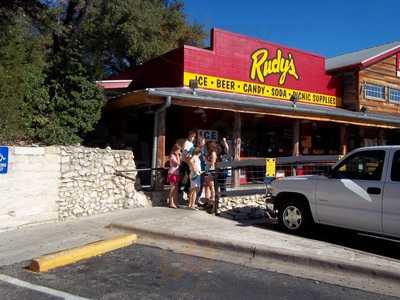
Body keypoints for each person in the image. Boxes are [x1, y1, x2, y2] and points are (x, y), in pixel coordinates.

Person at [179, 130, 197, 196]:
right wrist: (189, 162)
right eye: (192, 136)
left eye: (194, 137)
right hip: (186, 162)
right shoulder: (187, 143)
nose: (193, 138)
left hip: (189, 163)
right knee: (185, 177)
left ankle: (187, 191)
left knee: (189, 178)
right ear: (189, 136)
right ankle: (181, 190)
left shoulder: (191, 144)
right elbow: (186, 154)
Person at [204, 141, 218, 210]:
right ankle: (207, 201)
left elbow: (213, 163)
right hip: (207, 171)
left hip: (210, 171)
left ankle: (212, 201)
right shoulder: (209, 153)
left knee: (211, 186)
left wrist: (206, 161)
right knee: (206, 186)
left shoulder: (213, 153)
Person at [167, 144, 181, 208]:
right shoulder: (172, 156)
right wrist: (178, 156)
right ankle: (171, 202)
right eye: (179, 150)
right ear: (176, 150)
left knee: (176, 188)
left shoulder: (175, 155)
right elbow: (178, 163)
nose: (179, 152)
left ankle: (175, 202)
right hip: (172, 173)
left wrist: (178, 156)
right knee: (172, 188)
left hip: (176, 173)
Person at [196, 136, 207, 205]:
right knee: (197, 185)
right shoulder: (196, 149)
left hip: (203, 169)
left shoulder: (203, 149)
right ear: (200, 142)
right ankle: (196, 199)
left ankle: (198, 199)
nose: (204, 143)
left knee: (201, 184)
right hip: (198, 169)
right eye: (203, 141)